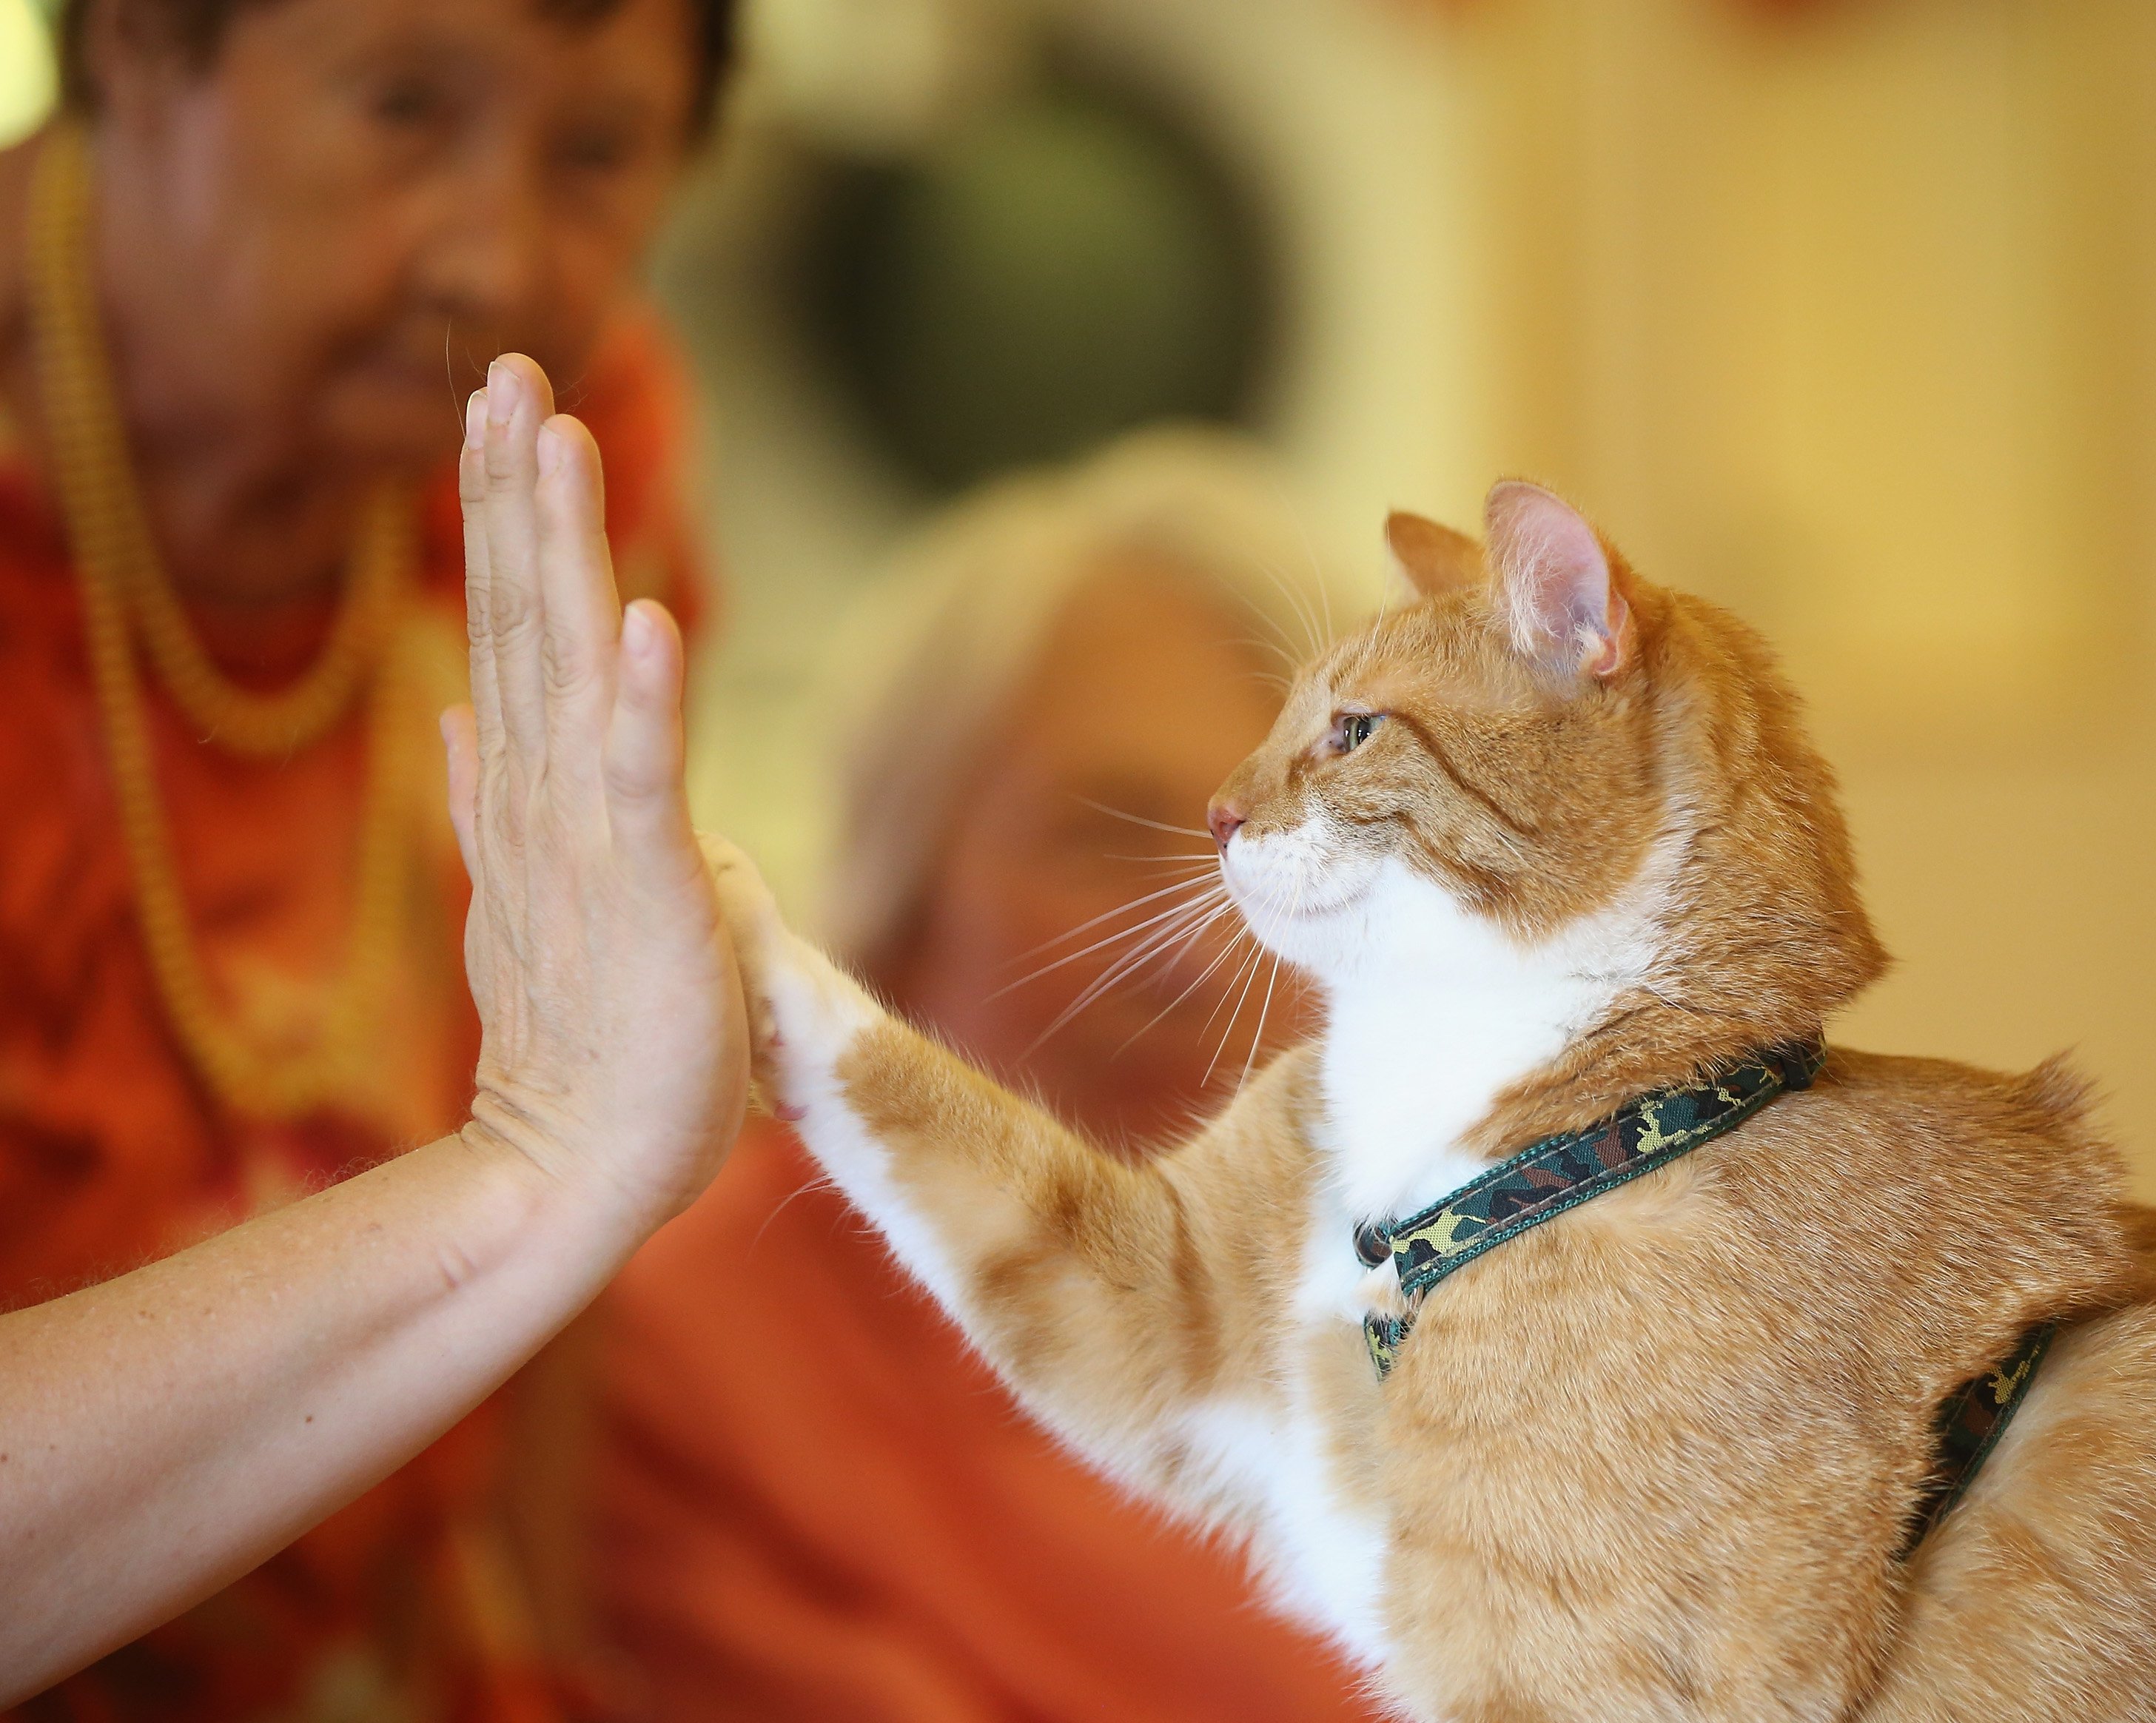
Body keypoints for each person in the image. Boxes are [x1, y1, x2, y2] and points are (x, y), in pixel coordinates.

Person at [0, 2, 731, 1713]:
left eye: (600, 151)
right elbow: (579, 1144)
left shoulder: (555, 434)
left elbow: (591, 1165)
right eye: (404, 106)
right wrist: (543, 1171)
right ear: (132, 45)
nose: (500, 253)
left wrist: (538, 1664)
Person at [587, 432, 1388, 1721]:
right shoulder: (705, 1354)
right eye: (1105, 837)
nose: (1198, 957)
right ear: (893, 903)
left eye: (1303, 857)